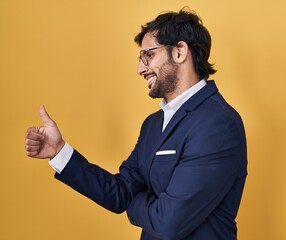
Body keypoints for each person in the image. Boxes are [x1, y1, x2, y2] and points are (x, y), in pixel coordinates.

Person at [25, 8, 247, 240]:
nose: (140, 68)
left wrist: (137, 200)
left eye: (148, 55)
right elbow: (120, 193)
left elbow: (168, 223)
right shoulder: (153, 124)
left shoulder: (218, 124)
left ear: (180, 52)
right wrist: (60, 152)